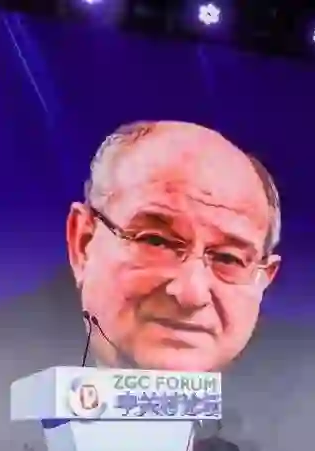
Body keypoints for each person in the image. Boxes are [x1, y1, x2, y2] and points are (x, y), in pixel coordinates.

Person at [65, 120, 282, 372]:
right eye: (156, 242)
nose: (191, 294)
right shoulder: (25, 358)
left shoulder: (304, 379)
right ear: (83, 243)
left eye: (228, 259)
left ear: (263, 280)